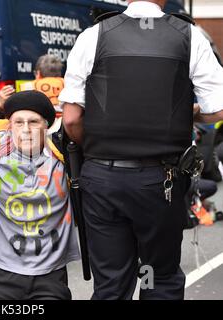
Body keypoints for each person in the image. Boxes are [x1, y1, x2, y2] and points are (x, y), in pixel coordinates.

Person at [60, 0, 223, 300]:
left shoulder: (92, 35)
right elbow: (218, 108)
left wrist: (99, 152)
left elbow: (70, 119)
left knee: (110, 284)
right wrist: (190, 112)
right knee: (159, 279)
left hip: (102, 178)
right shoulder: (190, 35)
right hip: (161, 181)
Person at [0, 91, 80, 300]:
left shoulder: (65, 159)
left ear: (47, 126)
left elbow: (76, 121)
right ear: (9, 127)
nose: (26, 129)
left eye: (34, 122)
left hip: (50, 276)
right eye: (18, 122)